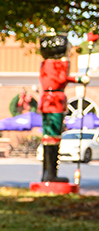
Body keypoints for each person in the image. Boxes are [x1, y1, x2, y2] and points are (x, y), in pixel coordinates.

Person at [36, 33, 89, 183]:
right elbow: (61, 79)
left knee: (48, 137)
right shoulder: (61, 63)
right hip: (55, 101)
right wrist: (79, 79)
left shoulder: (45, 63)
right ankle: (51, 174)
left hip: (46, 101)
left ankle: (47, 173)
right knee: (53, 137)